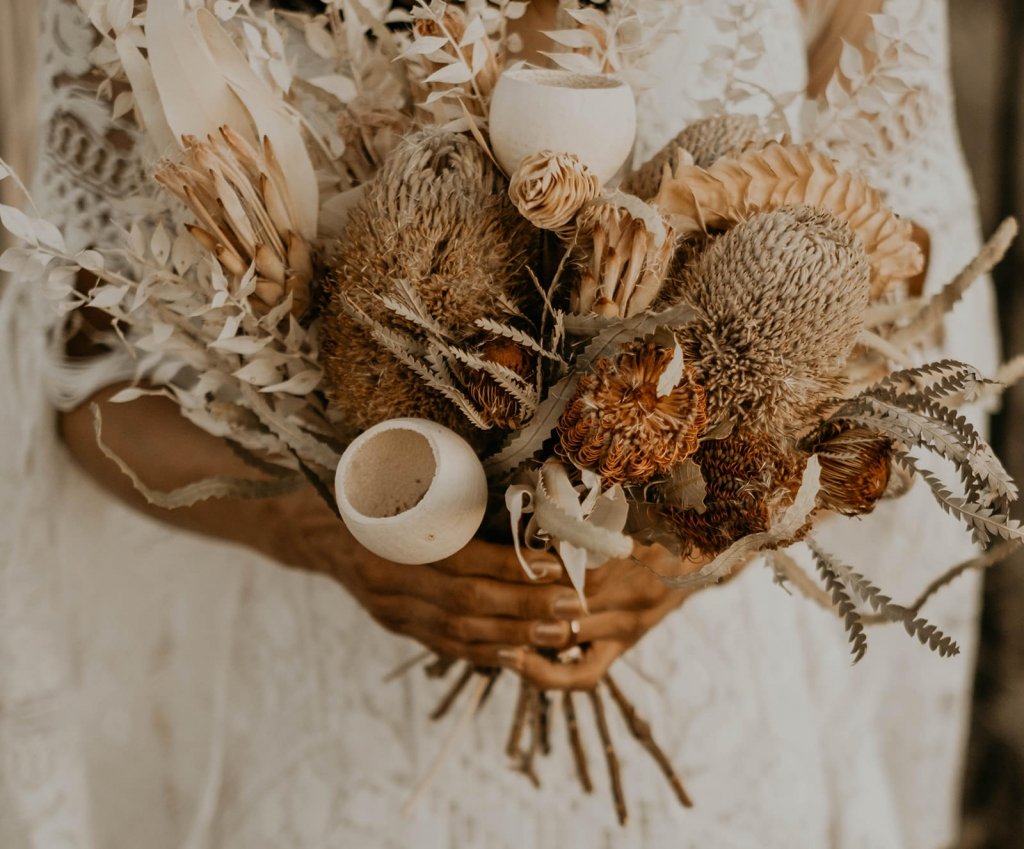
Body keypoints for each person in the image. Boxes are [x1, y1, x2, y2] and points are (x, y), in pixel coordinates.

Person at [0, 1, 998, 847]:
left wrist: (695, 544)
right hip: (338, 733)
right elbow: (82, 373)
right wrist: (308, 533)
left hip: (712, 719)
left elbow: (903, 298)